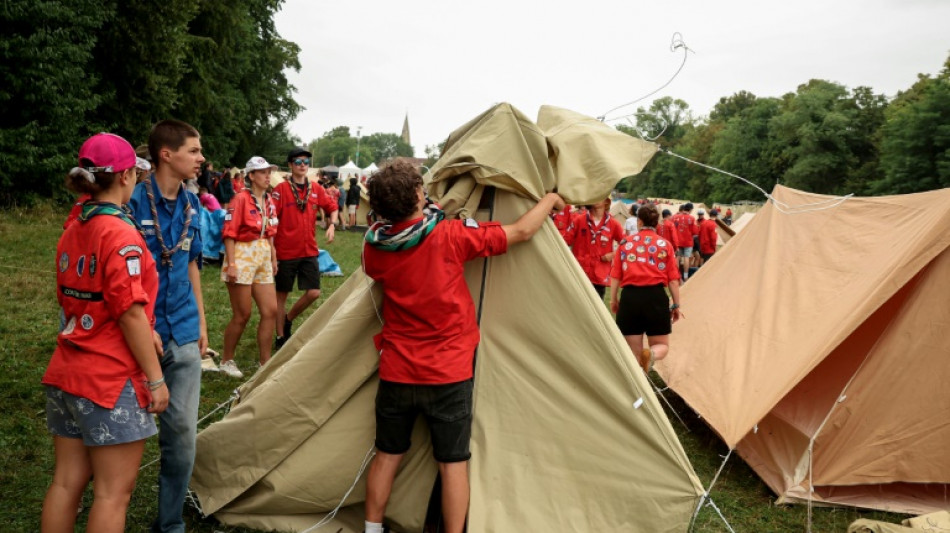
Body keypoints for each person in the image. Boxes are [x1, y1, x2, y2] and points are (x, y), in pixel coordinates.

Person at [361, 159, 564, 533]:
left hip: (397, 371)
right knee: (452, 463)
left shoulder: (375, 249)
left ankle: (372, 529)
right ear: (420, 195)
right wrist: (550, 198)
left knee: (387, 456)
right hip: (448, 373)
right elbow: (520, 231)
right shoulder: (449, 236)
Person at [42, 133, 169, 533]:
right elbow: (129, 313)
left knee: (66, 483)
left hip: (68, 369)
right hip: (109, 378)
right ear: (128, 175)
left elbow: (79, 298)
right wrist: (157, 379)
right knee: (113, 494)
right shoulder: (120, 233)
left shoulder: (75, 224)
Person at [127, 119, 208, 533]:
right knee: (121, 436)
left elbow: (191, 263)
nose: (200, 158)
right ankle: (107, 508)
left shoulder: (194, 206)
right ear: (167, 154)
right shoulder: (132, 203)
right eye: (193, 151)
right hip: (137, 334)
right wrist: (143, 323)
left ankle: (170, 523)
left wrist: (201, 323)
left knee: (182, 437)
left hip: (183, 330)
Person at [218, 156, 281, 377]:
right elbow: (228, 233)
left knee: (270, 310)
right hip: (242, 253)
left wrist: (272, 257)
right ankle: (226, 360)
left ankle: (265, 362)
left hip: (262, 252)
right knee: (242, 314)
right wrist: (232, 264)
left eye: (268, 172)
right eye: (262, 172)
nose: (267, 176)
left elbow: (271, 231)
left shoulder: (269, 200)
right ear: (251, 176)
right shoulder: (240, 199)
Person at [271, 147, 339, 349]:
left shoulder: (316, 189)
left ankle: (288, 318)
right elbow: (272, 220)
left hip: (309, 250)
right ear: (291, 165)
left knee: (314, 292)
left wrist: (333, 224)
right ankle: (281, 336)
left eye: (306, 162)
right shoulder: (281, 190)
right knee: (281, 296)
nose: (303, 165)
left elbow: (333, 207)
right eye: (298, 162)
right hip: (285, 251)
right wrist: (272, 252)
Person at [609, 203, 683, 374]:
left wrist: (614, 299)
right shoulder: (665, 245)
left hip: (630, 298)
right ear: (657, 223)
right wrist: (676, 305)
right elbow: (673, 280)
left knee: (633, 354)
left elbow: (615, 275)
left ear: (639, 222)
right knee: (661, 345)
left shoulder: (625, 244)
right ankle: (652, 354)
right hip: (655, 298)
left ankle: (638, 390)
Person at [564, 197, 625, 299]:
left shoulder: (613, 224)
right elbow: (565, 241)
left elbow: (626, 244)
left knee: (595, 311)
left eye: (600, 196)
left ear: (606, 202)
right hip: (579, 272)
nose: (596, 198)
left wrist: (613, 254)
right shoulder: (579, 220)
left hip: (599, 275)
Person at [671, 203, 698, 282]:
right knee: (686, 258)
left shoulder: (675, 217)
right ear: (690, 209)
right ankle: (685, 276)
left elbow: (673, 228)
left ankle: (677, 275)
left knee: (677, 257)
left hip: (678, 241)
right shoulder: (692, 218)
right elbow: (695, 231)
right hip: (688, 241)